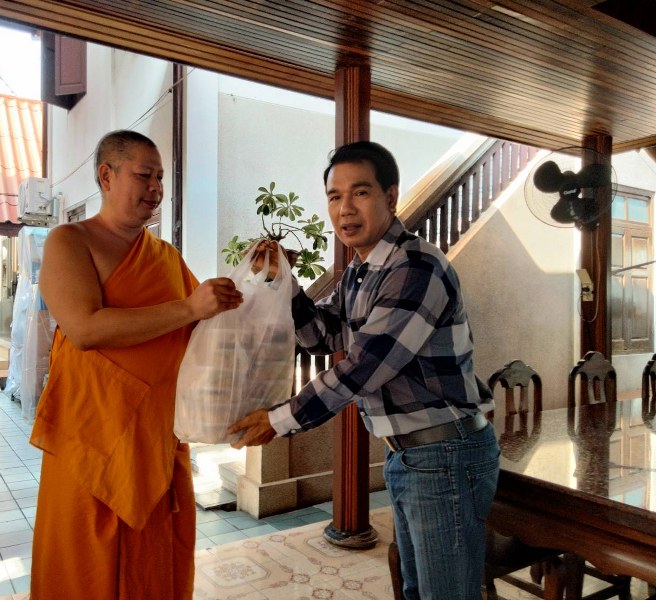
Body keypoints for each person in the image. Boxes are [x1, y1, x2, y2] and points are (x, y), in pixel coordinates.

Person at [228, 140, 499, 600]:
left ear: (391, 197)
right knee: (418, 590)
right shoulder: (361, 271)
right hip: (410, 454)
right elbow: (323, 335)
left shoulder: (416, 267)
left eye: (360, 192)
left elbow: (364, 367)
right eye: (335, 196)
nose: (345, 209)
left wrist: (280, 419)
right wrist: (284, 284)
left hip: (444, 454)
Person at [29, 129, 243, 599]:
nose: (156, 188)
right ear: (107, 176)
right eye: (144, 175)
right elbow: (85, 329)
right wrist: (189, 307)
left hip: (154, 436)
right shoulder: (70, 241)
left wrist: (250, 287)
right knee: (86, 562)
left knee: (154, 564)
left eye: (160, 178)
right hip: (91, 435)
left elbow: (199, 331)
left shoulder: (164, 256)